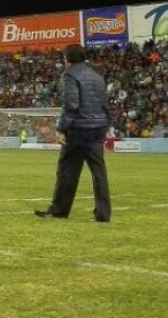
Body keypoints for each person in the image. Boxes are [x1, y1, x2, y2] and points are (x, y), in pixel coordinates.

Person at [36, 45, 112, 222]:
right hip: (97, 128)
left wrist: (61, 128)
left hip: (79, 129)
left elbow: (71, 105)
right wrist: (105, 124)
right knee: (98, 171)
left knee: (67, 170)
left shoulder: (70, 75)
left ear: (67, 59)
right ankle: (103, 213)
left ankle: (59, 210)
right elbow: (105, 104)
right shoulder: (97, 76)